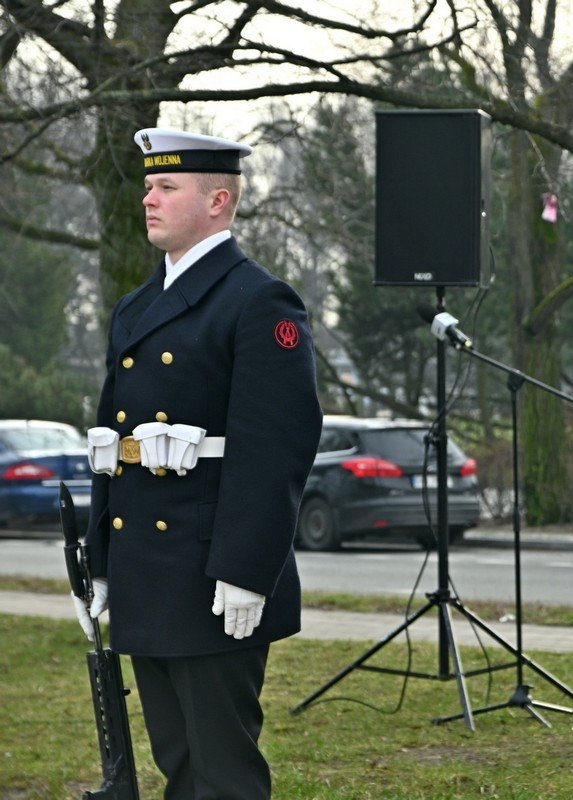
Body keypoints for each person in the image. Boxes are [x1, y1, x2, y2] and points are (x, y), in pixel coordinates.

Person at [72, 127, 322, 798]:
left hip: (213, 577)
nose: (148, 200)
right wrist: (101, 560)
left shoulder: (257, 301)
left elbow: (276, 450)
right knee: (177, 762)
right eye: (148, 187)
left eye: (166, 188)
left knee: (222, 771)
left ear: (218, 200)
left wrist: (246, 570)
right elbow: (114, 448)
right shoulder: (136, 306)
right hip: (147, 571)